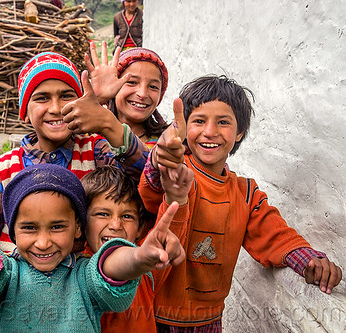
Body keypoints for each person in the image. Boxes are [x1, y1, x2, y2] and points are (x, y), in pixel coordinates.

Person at [138, 75, 343, 332]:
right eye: (199, 121)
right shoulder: (178, 173)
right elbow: (151, 190)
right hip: (151, 314)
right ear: (184, 128)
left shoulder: (245, 194)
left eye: (223, 122)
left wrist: (309, 260)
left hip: (209, 319)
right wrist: (159, 157)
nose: (210, 132)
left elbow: (274, 235)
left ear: (239, 133)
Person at [0, 164, 185, 332]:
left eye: (57, 227)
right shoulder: (8, 274)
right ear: (12, 232)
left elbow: (110, 267)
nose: (44, 242)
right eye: (30, 228)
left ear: (78, 229)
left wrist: (138, 256)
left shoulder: (83, 277)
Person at [0, 52, 149, 252]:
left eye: (66, 96)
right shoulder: (3, 171)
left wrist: (108, 123)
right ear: (25, 112)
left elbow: (150, 177)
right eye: (42, 98)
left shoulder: (96, 152)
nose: (56, 108)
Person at [80, 165, 192, 332]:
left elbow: (166, 233)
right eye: (103, 214)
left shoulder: (148, 268)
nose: (116, 225)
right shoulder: (74, 269)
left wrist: (177, 197)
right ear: (81, 222)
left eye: (127, 216)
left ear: (140, 229)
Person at [83, 41, 169, 149]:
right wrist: (97, 100)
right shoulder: (88, 136)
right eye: (132, 82)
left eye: (153, 87)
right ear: (114, 86)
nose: (142, 94)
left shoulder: (166, 144)